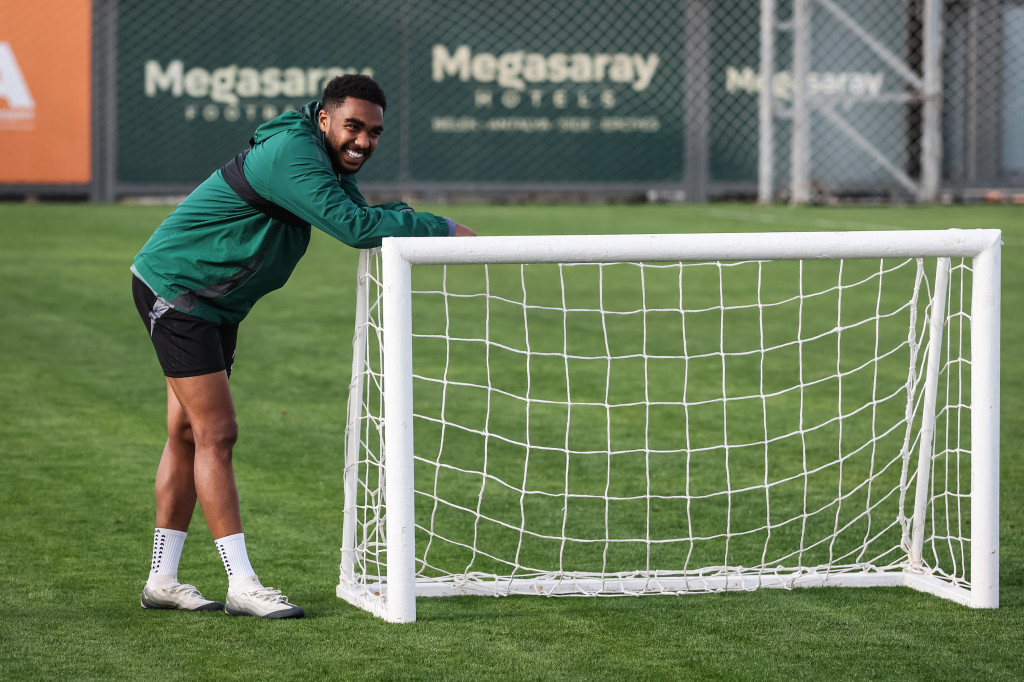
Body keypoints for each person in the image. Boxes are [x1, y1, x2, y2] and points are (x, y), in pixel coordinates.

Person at [131, 74, 476, 619]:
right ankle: (242, 584)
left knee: (187, 433)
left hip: (212, 301)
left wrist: (410, 218)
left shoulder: (321, 157)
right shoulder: (293, 153)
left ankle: (162, 580)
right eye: (353, 127)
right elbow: (354, 226)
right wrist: (441, 228)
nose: (363, 141)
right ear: (324, 119)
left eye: (374, 132)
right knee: (217, 433)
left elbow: (361, 211)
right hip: (179, 292)